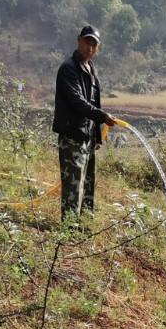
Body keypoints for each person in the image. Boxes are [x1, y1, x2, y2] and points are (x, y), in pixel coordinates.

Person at [52, 25, 117, 220]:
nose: (90, 47)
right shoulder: (68, 69)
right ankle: (69, 227)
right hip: (72, 135)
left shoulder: (91, 71)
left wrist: (97, 135)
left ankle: (85, 221)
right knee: (73, 183)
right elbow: (77, 101)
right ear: (78, 40)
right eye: (87, 42)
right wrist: (102, 116)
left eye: (94, 44)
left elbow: (94, 102)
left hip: (87, 136)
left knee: (86, 182)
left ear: (97, 48)